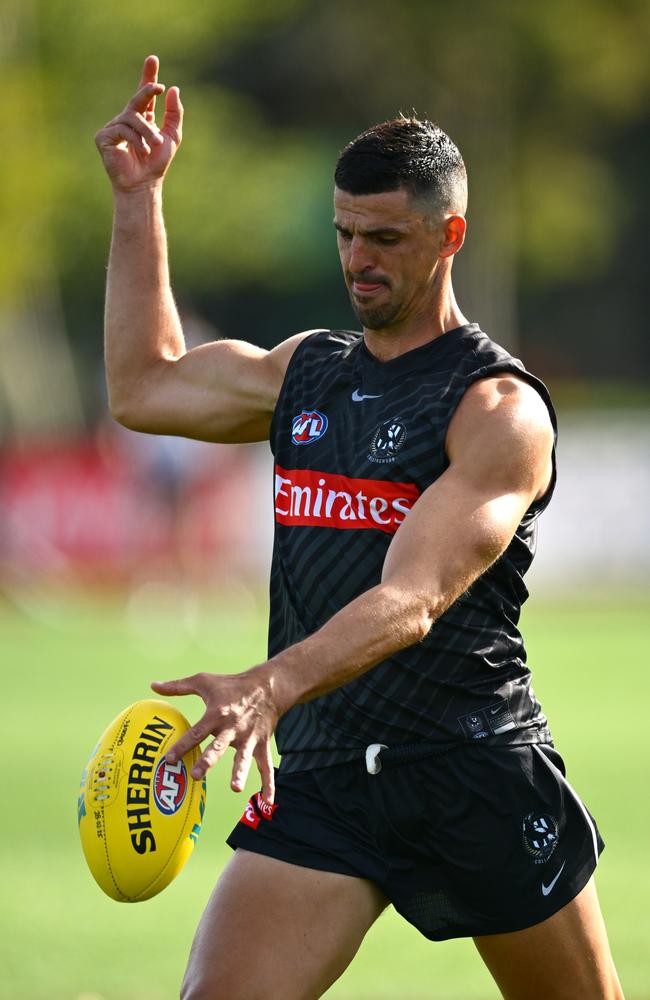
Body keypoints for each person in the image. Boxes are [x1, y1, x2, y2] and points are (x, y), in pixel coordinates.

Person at [95, 55, 624, 1000]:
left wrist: (269, 685)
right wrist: (140, 198)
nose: (356, 260)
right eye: (343, 234)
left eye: (384, 237)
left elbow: (412, 599)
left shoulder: (497, 408)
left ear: (450, 235)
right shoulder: (310, 370)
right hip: (331, 774)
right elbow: (145, 386)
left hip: (472, 767)